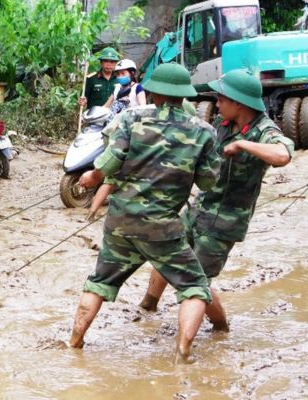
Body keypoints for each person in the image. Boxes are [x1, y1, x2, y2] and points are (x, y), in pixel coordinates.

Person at [68, 63, 221, 361]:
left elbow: (110, 163)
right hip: (163, 226)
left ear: (152, 92)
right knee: (195, 287)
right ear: (184, 97)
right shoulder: (204, 131)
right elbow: (207, 181)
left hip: (120, 222)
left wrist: (90, 178)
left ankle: (74, 342)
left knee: (98, 282)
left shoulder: (132, 118)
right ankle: (182, 352)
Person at [139, 69, 294, 331]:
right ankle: (147, 308)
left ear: (238, 102)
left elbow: (283, 154)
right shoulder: (222, 123)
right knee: (166, 253)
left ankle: (221, 328)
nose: (217, 103)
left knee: (197, 281)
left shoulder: (263, 131)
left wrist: (243, 145)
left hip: (224, 221)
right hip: (199, 207)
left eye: (221, 98)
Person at [87, 59, 147, 219]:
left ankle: (95, 210)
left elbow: (143, 108)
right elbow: (106, 107)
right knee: (110, 173)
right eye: (118, 73)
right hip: (112, 130)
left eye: (123, 73)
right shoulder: (117, 89)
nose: (120, 76)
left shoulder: (138, 89)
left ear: (132, 74)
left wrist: (131, 112)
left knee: (112, 175)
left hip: (130, 134)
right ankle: (94, 210)